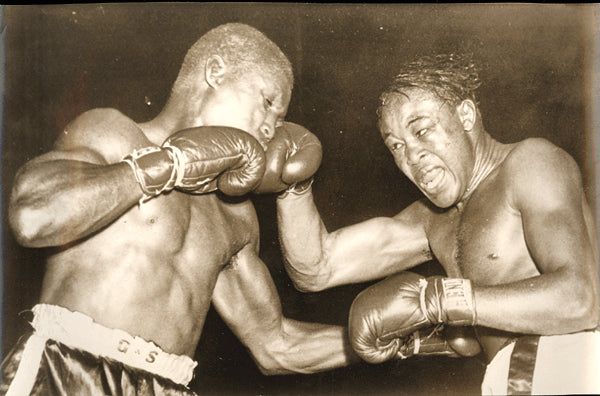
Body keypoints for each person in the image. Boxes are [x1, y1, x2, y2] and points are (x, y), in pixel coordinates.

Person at [1, 23, 356, 396]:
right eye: (267, 103)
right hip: (69, 370)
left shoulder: (235, 214)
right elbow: (32, 218)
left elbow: (276, 345)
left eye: (280, 120)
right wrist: (165, 167)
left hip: (169, 386)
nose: (270, 129)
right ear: (215, 72)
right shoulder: (112, 133)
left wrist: (383, 339)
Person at [276, 53, 600, 395]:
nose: (411, 156)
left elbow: (581, 299)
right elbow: (315, 269)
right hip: (507, 376)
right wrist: (292, 184)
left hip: (561, 363)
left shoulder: (529, 163)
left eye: (422, 130)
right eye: (397, 146)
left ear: (465, 115)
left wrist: (438, 300)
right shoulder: (432, 219)